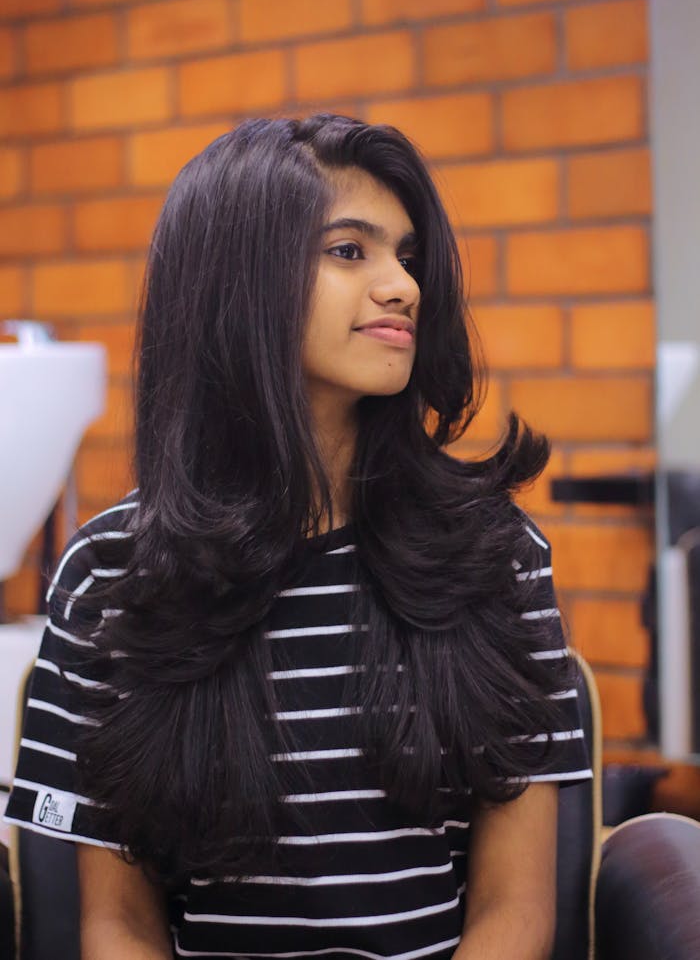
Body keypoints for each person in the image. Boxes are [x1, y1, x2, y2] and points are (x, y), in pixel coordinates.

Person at [5, 114, 591, 960]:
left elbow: (516, 909)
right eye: (350, 251)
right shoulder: (109, 575)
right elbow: (118, 923)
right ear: (239, 282)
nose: (403, 286)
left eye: (408, 256)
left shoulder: (496, 554)